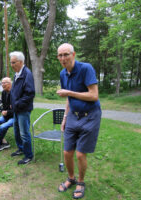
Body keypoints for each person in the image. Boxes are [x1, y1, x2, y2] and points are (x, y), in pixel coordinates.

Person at [56, 43, 102, 199]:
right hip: (73, 116)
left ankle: (81, 182)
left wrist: (69, 92)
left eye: (66, 54)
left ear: (73, 54)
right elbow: (69, 99)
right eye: (60, 55)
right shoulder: (63, 74)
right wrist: (64, 118)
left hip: (90, 116)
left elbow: (94, 95)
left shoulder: (86, 68)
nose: (63, 58)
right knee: (67, 152)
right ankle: (71, 178)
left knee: (81, 155)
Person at [9, 51, 35, 165]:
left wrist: (18, 104)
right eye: (11, 62)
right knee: (16, 131)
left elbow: (30, 93)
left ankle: (28, 155)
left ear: (20, 62)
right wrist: (12, 103)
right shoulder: (17, 73)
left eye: (13, 62)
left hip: (23, 109)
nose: (11, 65)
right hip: (16, 109)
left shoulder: (27, 74)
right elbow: (15, 91)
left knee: (24, 133)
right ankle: (21, 149)